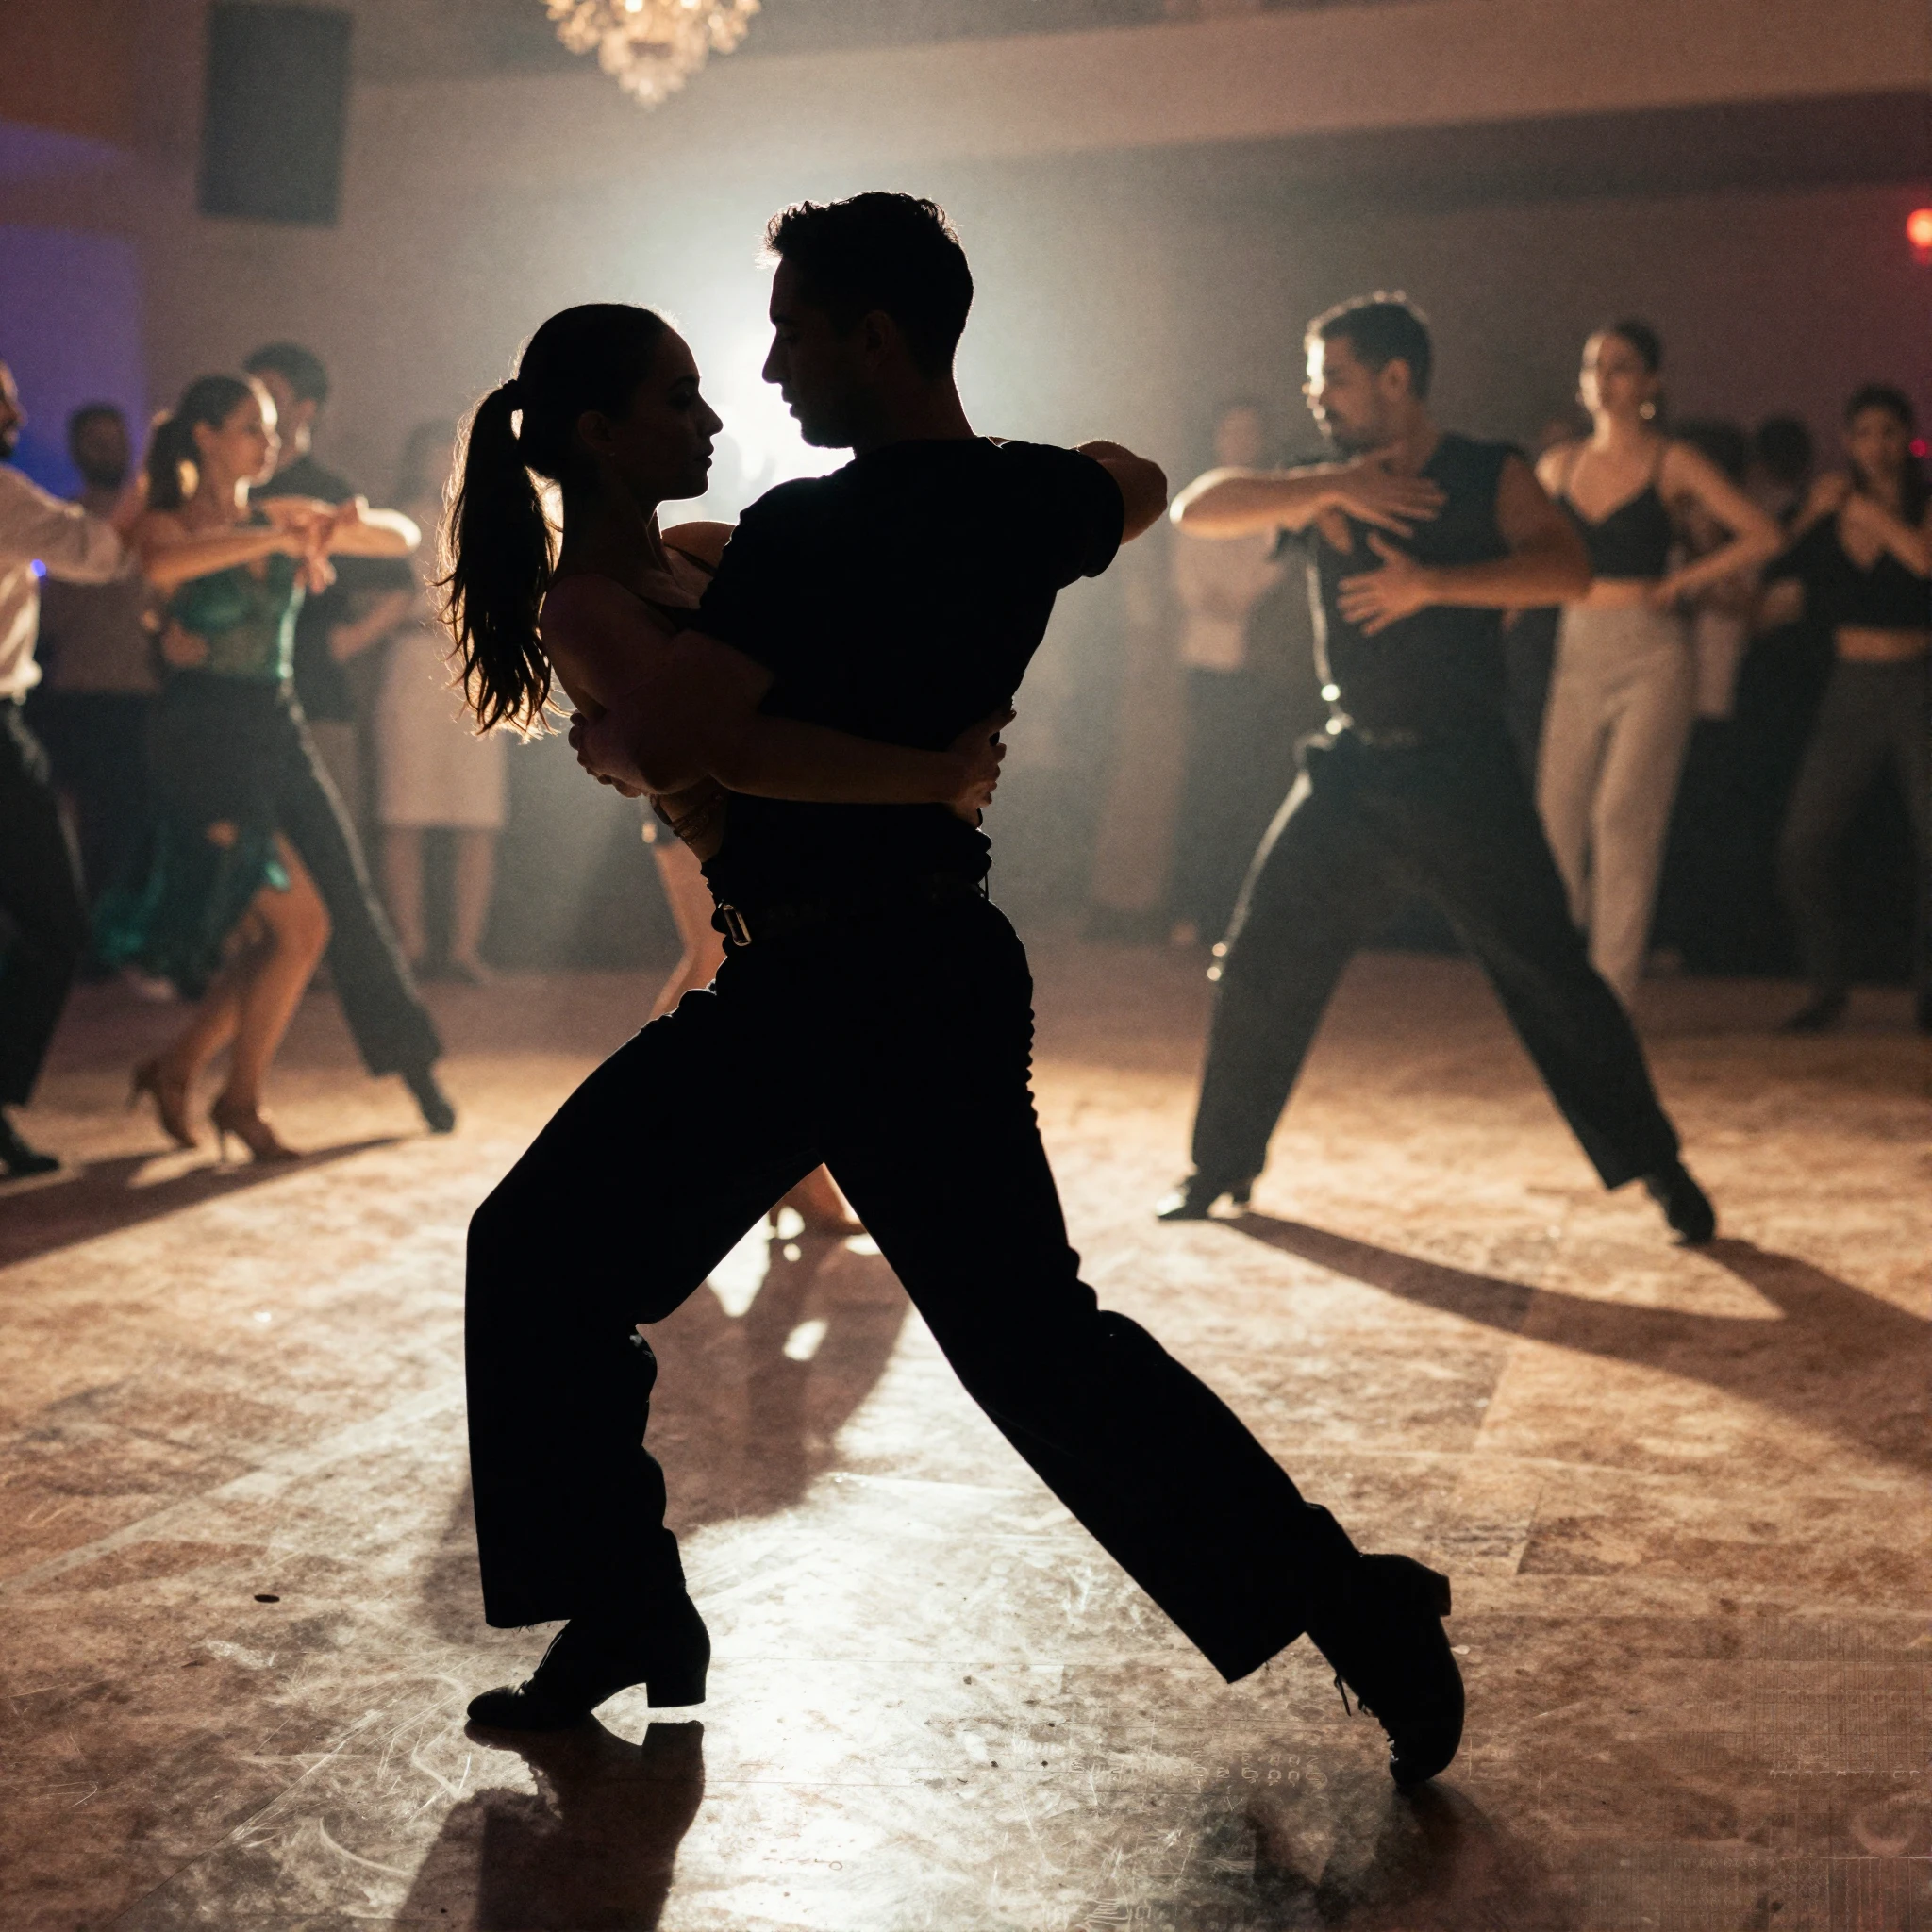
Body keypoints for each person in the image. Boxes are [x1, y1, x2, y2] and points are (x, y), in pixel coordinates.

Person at [459, 204, 1466, 1790]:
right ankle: (1355, 1605)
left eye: (794, 333)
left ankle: (626, 1600)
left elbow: (681, 738)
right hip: (924, 963)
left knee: (538, 1257)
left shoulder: (799, 534)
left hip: (820, 973)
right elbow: (1135, 477)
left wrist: (639, 738)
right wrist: (1045, 499)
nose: (770, 369)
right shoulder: (1024, 503)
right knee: (1035, 1342)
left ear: (873, 337)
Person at [1158, 293, 1716, 1247]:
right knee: (1259, 958)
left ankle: (1658, 1166)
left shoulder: (1484, 471)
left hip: (1463, 772)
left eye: (1334, 378)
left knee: (1550, 976)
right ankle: (1220, 1165)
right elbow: (1194, 508)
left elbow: (1566, 571)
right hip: (1350, 773)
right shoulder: (1318, 479)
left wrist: (1433, 586)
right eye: (1315, 381)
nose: (1318, 396)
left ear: (1395, 378)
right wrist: (1328, 486)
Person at [113, 375, 432, 1159]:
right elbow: (162, 567)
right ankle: (237, 1099)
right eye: (252, 428)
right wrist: (279, 539)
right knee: (295, 926)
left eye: (271, 429)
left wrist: (336, 523)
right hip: (204, 737)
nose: (272, 442)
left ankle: (183, 1070)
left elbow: (401, 539)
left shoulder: (279, 512)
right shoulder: (169, 521)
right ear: (205, 437)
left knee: (295, 930)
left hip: (278, 727)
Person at [1533, 325, 1780, 1006]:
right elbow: (1522, 552)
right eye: (1594, 366)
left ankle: (1612, 993)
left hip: (1651, 652)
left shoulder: (1672, 461)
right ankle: (1560, 982)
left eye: (1621, 367)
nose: (1605, 379)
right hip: (1578, 646)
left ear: (1650, 383)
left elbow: (1763, 533)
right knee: (1556, 818)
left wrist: (1686, 580)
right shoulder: (1557, 466)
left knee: (1622, 816)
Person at [0, 360, 134, 1176]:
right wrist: (150, 490)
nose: (16, 413)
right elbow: (101, 554)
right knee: (57, 924)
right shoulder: (5, 496)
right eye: (2, 401)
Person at [1768, 384, 1931, 1031]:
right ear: (1847, 441)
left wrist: (1867, 510)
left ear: (1907, 437)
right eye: (1863, 433)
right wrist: (1813, 514)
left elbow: (1924, 561)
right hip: (1849, 685)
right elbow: (1775, 564)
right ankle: (1827, 983)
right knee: (1802, 843)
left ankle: (1928, 990)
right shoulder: (1829, 509)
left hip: (1917, 680)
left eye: (1888, 432)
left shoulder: (1921, 503)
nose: (1876, 446)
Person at [243, 342, 416, 826]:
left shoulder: (325, 491)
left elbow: (398, 582)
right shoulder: (230, 493)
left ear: (306, 409)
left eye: (273, 395)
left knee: (323, 839)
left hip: (313, 698)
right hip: (234, 697)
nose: (260, 409)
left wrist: (340, 644)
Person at [374, 420, 508, 985]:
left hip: (475, 668)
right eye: (429, 454)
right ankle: (408, 943)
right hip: (412, 659)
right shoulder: (390, 523)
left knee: (477, 816)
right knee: (404, 812)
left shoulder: (490, 522)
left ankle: (464, 949)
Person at [25, 406, 161, 943]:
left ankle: (120, 941)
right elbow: (50, 618)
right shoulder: (63, 522)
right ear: (77, 448)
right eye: (95, 440)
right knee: (82, 826)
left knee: (135, 823)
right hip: (79, 692)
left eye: (115, 438)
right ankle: (84, 942)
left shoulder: (155, 518)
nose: (108, 449)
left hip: (142, 692)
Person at [1168, 402, 1293, 948]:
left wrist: (1239, 599)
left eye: (1249, 431)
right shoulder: (1197, 499)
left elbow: (1270, 572)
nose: (1239, 440)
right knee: (1207, 783)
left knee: (1248, 787)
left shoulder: (1272, 503)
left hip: (1260, 668)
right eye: (1231, 431)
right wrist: (1219, 600)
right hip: (1207, 664)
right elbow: (1190, 581)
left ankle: (1235, 914)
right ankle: (1196, 909)